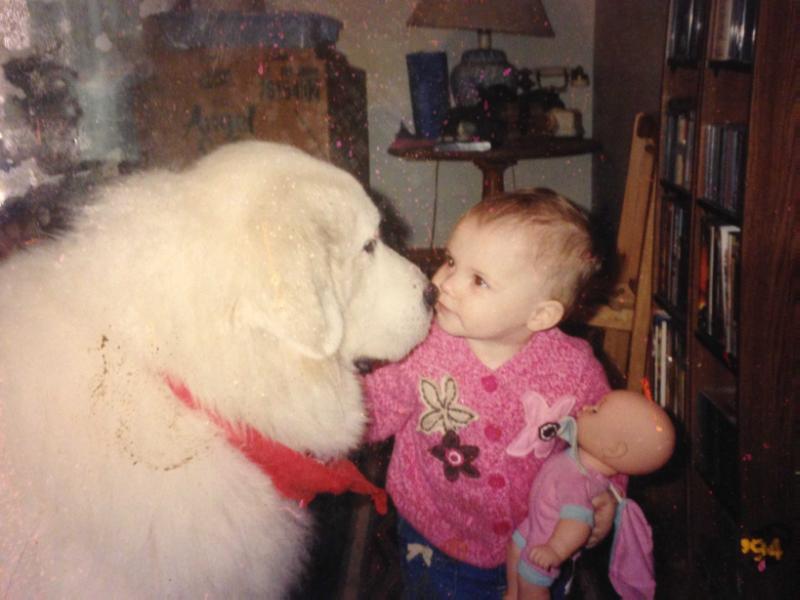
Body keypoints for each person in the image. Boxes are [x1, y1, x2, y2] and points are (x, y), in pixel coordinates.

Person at [361, 189, 620, 599]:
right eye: (450, 261)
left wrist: (609, 490)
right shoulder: (419, 347)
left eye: (478, 280)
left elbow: (608, 440)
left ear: (540, 314)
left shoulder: (575, 369)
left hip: (539, 545)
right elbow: (371, 412)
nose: (444, 283)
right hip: (437, 537)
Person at [504, 390, 675, 600]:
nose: (585, 408)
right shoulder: (577, 463)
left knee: (530, 585)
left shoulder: (580, 481)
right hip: (536, 524)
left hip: (545, 542)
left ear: (612, 449)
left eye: (594, 411)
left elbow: (578, 522)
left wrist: (555, 550)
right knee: (514, 550)